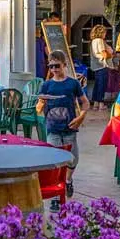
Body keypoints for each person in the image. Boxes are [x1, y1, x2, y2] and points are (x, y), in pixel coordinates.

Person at [36, 49, 89, 200]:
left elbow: (85, 102)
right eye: (51, 66)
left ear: (64, 65)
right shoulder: (46, 85)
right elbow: (38, 109)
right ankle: (56, 194)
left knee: (73, 159)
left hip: (70, 126)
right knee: (54, 161)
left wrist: (81, 117)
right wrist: (41, 103)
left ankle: (68, 180)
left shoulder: (72, 83)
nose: (54, 70)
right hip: (52, 127)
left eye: (57, 66)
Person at [89, 24, 113, 111]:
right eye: (104, 32)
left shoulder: (93, 41)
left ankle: (95, 103)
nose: (105, 34)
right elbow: (104, 54)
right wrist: (111, 54)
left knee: (97, 84)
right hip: (102, 65)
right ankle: (101, 104)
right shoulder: (100, 41)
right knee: (102, 85)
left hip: (95, 66)